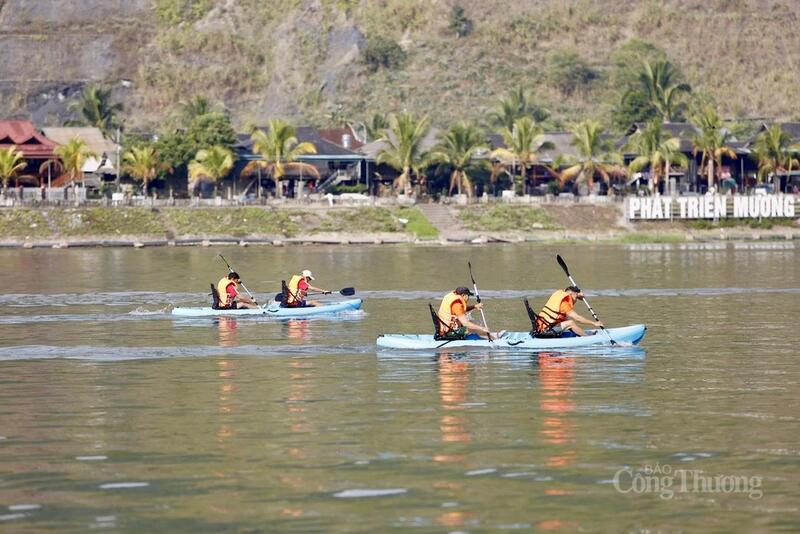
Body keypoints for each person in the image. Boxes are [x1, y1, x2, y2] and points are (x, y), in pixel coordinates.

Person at [435, 286, 503, 340]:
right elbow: (465, 323)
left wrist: (474, 306)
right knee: (470, 327)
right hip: (449, 332)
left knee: (471, 321)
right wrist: (482, 328)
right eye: (468, 296)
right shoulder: (457, 305)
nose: (468, 298)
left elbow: (460, 311)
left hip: (445, 329)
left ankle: (490, 335)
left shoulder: (452, 296)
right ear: (464, 295)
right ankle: (494, 338)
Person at [534, 285, 602, 337]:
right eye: (576, 297)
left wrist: (577, 296)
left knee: (565, 320)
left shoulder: (559, 297)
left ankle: (581, 333)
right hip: (546, 331)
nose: (576, 300)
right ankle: (587, 338)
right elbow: (577, 318)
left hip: (540, 327)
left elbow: (571, 301)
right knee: (570, 322)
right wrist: (594, 323)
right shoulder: (564, 304)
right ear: (573, 294)